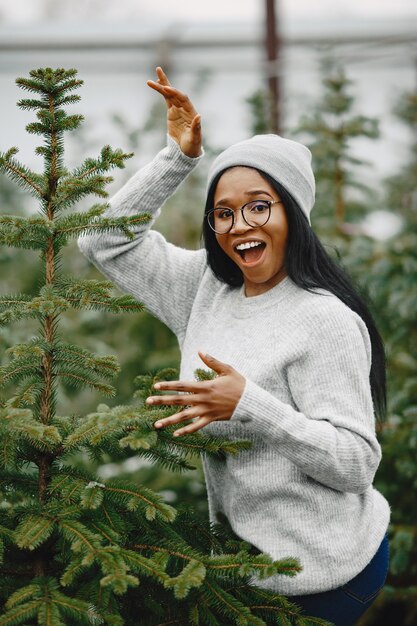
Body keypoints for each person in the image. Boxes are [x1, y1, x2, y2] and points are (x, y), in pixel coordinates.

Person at [77, 67, 391, 625]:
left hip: (324, 571)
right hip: (242, 568)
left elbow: (355, 463)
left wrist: (251, 405)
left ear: (292, 214)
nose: (238, 224)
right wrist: (179, 157)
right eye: (223, 212)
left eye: (258, 205)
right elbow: (102, 239)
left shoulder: (324, 320)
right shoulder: (203, 288)